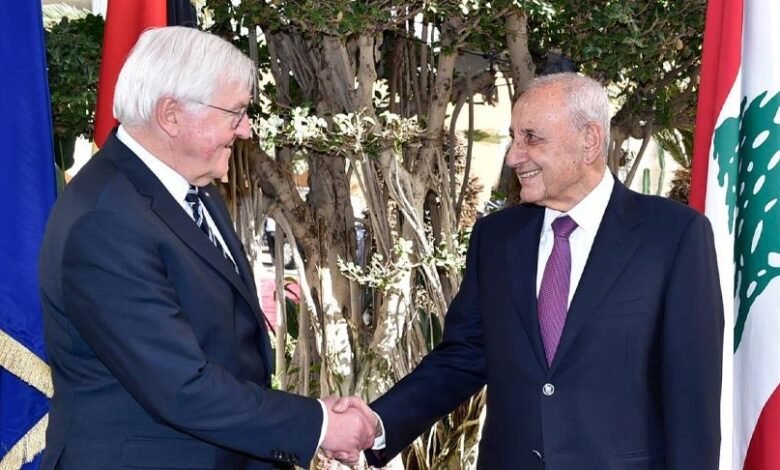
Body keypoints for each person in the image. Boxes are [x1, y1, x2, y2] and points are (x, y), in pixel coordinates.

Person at [38, 26, 376, 470]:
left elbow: (223, 345)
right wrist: (318, 426)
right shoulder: (104, 223)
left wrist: (302, 419)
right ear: (171, 115)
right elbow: (179, 386)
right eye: (235, 113)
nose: (246, 130)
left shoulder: (190, 185)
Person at [355, 73, 724, 469]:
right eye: (514, 138)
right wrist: (378, 424)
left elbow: (692, 402)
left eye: (531, 138)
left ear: (590, 141)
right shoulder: (496, 238)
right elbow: (463, 356)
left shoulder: (673, 236)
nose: (514, 156)